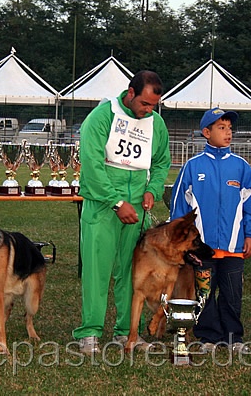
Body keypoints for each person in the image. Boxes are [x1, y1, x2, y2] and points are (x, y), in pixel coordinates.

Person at [72, 70, 171, 354]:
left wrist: (151, 189)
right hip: (103, 206)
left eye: (153, 106)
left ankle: (128, 333)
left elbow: (162, 161)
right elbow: (92, 163)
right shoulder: (102, 116)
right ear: (130, 93)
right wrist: (116, 202)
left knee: (132, 272)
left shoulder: (156, 123)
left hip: (137, 206)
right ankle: (89, 332)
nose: (148, 110)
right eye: (144, 104)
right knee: (97, 270)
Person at [169, 108, 251, 353]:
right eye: (221, 128)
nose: (228, 132)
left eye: (230, 128)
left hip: (233, 248)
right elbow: (179, 206)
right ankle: (207, 337)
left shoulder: (241, 167)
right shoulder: (192, 166)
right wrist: (181, 242)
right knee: (204, 295)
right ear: (206, 132)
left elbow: (250, 204)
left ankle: (233, 338)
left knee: (232, 295)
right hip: (203, 250)